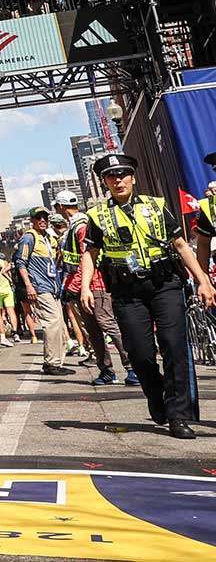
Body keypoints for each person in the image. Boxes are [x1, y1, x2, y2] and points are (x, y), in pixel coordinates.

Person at [81, 151, 215, 439]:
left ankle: (178, 414)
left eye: (123, 175)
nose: (118, 181)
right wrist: (85, 287)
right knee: (140, 353)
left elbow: (181, 245)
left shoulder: (155, 207)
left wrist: (203, 280)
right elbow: (90, 253)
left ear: (133, 178)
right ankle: (157, 395)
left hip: (165, 283)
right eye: (111, 177)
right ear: (105, 182)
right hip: (127, 292)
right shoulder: (98, 215)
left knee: (173, 346)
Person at [55, 189, 134, 386]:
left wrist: (74, 286)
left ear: (60, 207)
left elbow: (87, 258)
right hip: (83, 285)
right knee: (93, 329)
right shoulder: (75, 226)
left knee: (107, 324)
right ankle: (106, 370)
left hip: (94, 285)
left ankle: (133, 367)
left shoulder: (81, 226)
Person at [15, 207, 68, 375]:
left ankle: (57, 361)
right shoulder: (29, 238)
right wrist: (29, 285)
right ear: (32, 220)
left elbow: (56, 262)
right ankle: (51, 363)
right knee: (52, 323)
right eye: (39, 218)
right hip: (40, 287)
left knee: (59, 323)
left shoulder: (49, 238)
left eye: (45, 217)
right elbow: (21, 263)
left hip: (53, 287)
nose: (43, 220)